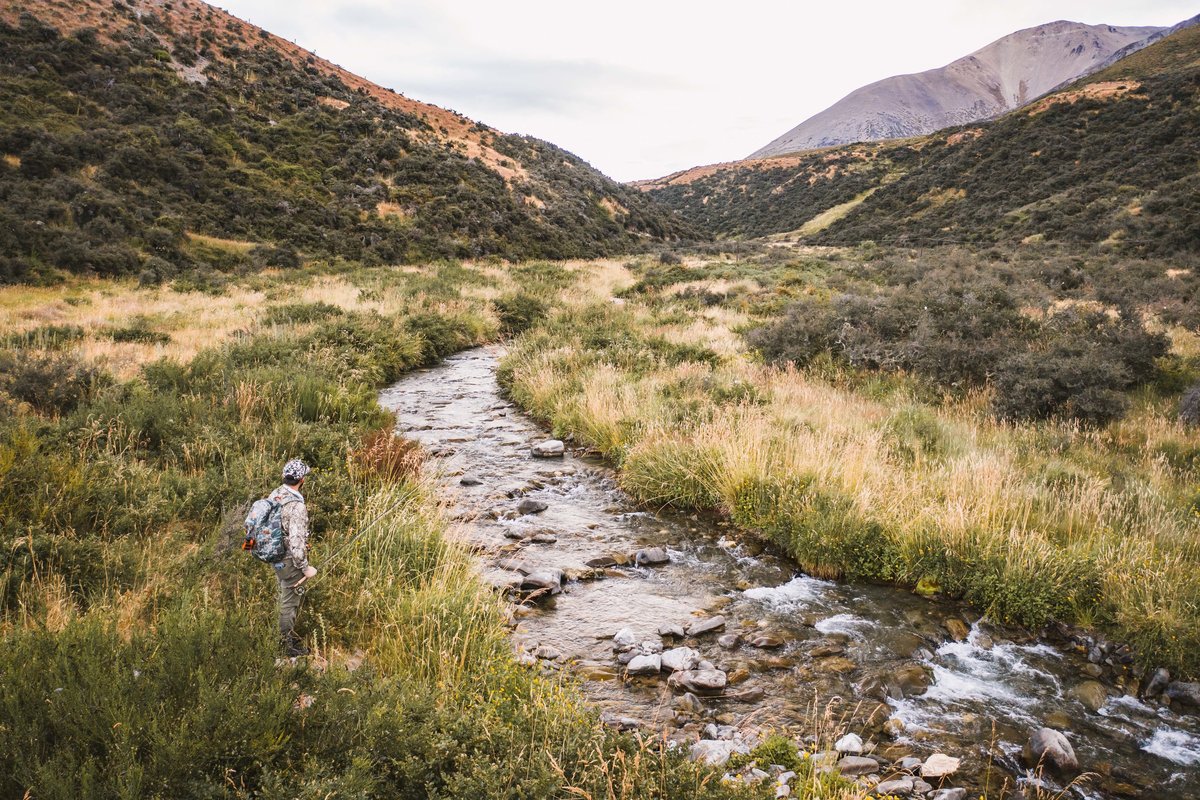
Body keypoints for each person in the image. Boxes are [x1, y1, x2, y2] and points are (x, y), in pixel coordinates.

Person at [273, 459, 317, 656]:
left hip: (275, 556)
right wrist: (306, 567)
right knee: (289, 603)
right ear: (301, 480)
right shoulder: (297, 506)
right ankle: (286, 647)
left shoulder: (275, 494)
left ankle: (282, 639)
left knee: (283, 597)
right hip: (290, 560)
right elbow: (297, 544)